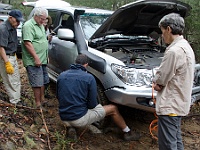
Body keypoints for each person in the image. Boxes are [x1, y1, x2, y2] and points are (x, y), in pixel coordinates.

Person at [57, 54, 141, 141]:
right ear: (86, 65)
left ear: (75, 63)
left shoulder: (62, 76)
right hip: (79, 119)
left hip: (63, 117)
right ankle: (128, 132)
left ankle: (71, 127)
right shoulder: (89, 78)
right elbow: (92, 105)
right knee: (113, 109)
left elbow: (59, 97)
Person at [152, 13, 195, 150]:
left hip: (170, 105)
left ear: (169, 29)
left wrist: (155, 83)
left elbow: (160, 80)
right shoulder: (186, 46)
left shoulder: (173, 51)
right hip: (179, 103)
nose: (162, 35)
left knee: (167, 145)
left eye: (163, 31)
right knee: (176, 141)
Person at [21, 7, 49, 108]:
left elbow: (41, 39)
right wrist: (36, 58)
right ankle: (37, 104)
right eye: (42, 19)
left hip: (42, 58)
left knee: (43, 80)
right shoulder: (28, 25)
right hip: (33, 60)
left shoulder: (40, 24)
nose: (43, 21)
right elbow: (28, 43)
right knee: (37, 82)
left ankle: (42, 99)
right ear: (36, 16)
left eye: (45, 19)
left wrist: (45, 56)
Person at [0, 9, 24, 105]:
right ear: (10, 18)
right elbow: (1, 48)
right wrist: (7, 63)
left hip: (12, 56)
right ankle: (14, 102)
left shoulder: (13, 27)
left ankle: (17, 99)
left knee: (16, 80)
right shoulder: (3, 29)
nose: (18, 23)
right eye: (17, 20)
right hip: (6, 57)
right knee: (10, 80)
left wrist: (14, 56)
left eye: (19, 21)